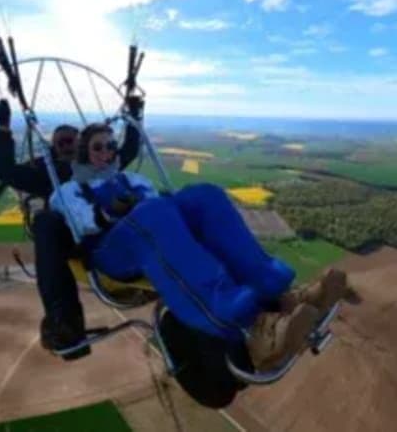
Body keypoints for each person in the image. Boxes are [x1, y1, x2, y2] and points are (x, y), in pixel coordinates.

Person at [49, 122, 348, 371]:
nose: (106, 152)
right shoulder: (69, 190)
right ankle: (251, 327)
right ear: (84, 154)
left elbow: (163, 208)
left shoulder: (131, 180)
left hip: (148, 230)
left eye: (111, 145)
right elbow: (82, 222)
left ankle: (279, 294)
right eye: (98, 147)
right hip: (110, 251)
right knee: (152, 214)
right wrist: (107, 212)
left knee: (205, 196)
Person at [0, 96, 145, 358]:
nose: (66, 146)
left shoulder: (102, 161)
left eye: (71, 141)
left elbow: (129, 148)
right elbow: (6, 172)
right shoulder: (47, 172)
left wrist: (135, 112)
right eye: (60, 143)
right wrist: (3, 126)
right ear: (53, 149)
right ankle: (65, 323)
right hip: (73, 237)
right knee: (46, 221)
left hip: (114, 231)